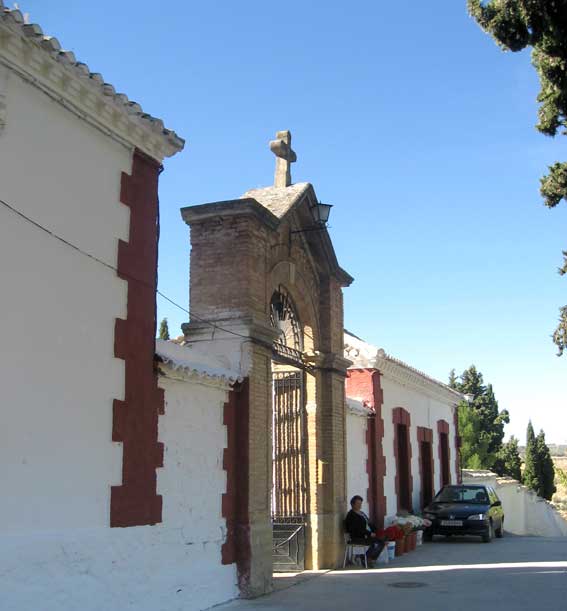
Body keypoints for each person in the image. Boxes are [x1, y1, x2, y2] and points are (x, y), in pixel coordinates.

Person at [344, 495, 385, 567]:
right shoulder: (351, 515)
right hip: (357, 537)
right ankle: (367, 558)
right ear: (353, 504)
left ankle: (366, 557)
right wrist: (369, 534)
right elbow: (357, 529)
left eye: (360, 503)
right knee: (378, 543)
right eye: (358, 504)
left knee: (382, 540)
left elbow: (369, 523)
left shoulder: (361, 513)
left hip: (365, 535)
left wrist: (376, 531)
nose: (360, 505)